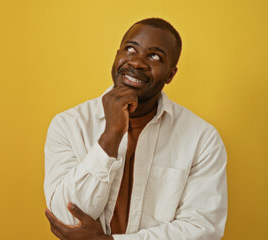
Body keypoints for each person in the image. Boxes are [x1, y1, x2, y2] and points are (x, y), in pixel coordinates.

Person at [43, 18, 228, 240]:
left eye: (155, 56)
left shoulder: (202, 138)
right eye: (130, 49)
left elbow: (203, 229)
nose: (137, 63)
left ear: (170, 74)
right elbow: (67, 221)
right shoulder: (68, 124)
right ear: (117, 56)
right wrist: (110, 137)